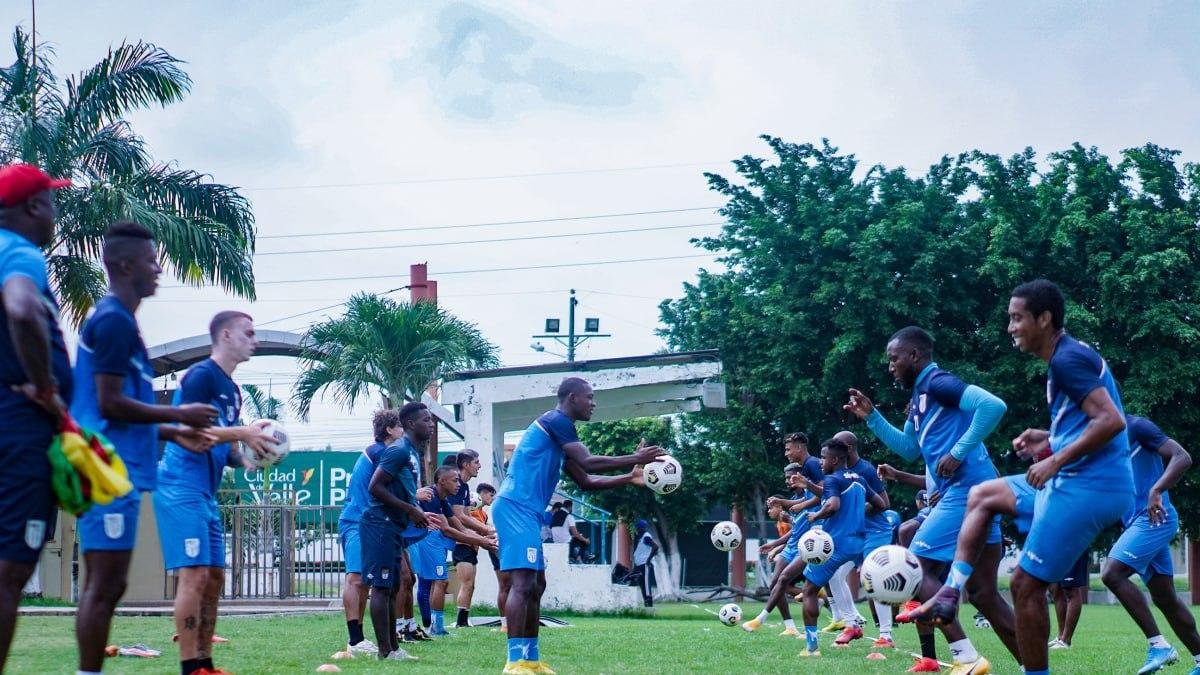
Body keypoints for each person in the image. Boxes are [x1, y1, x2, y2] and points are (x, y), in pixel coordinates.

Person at [920, 280, 1133, 675]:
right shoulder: (1068, 356)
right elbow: (1092, 422)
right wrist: (1048, 440)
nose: (1011, 327)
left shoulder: (1066, 361)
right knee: (983, 494)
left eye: (1017, 318)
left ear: (1044, 318)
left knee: (1024, 586)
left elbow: (1112, 421)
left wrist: (1054, 461)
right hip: (1082, 479)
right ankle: (951, 590)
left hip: (1089, 487)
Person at [71, 222, 221, 675]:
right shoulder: (114, 319)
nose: (158, 269)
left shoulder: (124, 321)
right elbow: (109, 404)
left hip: (120, 466)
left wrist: (172, 433)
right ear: (122, 265)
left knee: (108, 583)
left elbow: (118, 413)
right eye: (150, 261)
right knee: (104, 584)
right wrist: (179, 416)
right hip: (104, 469)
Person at [845, 325, 1015, 673]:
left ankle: (966, 658)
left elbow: (993, 406)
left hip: (968, 494)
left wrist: (958, 451)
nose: (890, 366)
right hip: (979, 492)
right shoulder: (920, 400)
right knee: (984, 592)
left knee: (915, 568)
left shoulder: (939, 383)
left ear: (914, 356)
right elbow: (909, 449)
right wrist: (872, 417)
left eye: (894, 359)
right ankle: (1035, 668)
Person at [493, 377, 665, 674]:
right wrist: (635, 458)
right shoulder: (556, 420)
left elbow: (586, 481)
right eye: (590, 397)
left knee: (537, 585)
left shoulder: (560, 436)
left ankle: (530, 660)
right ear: (572, 398)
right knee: (522, 584)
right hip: (514, 508)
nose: (593, 403)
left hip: (528, 512)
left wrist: (629, 476)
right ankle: (513, 662)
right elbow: (589, 462)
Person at [153, 312, 277, 675]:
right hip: (180, 486)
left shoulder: (232, 390)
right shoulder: (199, 377)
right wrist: (244, 432)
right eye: (248, 333)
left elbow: (224, 447)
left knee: (214, 577)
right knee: (193, 576)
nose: (254, 339)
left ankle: (205, 663)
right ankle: (189, 668)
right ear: (225, 335)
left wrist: (248, 460)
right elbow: (191, 436)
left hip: (205, 494)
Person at [0, 164, 73, 671]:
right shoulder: (18, 251)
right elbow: (23, 310)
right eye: (51, 201)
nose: (54, 212)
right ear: (32, 208)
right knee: (9, 572)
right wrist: (46, 388)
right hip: (19, 429)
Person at [1100, 415, 1200, 675]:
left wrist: (1156, 489)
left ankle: (1159, 645)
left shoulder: (1137, 426)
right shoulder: (1100, 439)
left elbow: (1182, 457)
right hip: (1136, 522)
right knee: (1165, 598)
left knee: (1112, 574)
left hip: (1155, 517)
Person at [361, 402, 436, 661]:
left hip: (393, 526)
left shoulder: (412, 452)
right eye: (426, 420)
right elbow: (375, 487)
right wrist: (412, 510)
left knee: (393, 586)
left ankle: (394, 648)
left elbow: (400, 489)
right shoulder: (399, 450)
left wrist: (416, 512)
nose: (432, 424)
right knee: (382, 587)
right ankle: (385, 650)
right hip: (379, 524)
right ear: (411, 424)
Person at [799, 438, 884, 658]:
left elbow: (833, 505)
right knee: (835, 580)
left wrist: (816, 515)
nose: (820, 462)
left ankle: (811, 648)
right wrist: (855, 513)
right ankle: (852, 623)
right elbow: (881, 504)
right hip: (858, 543)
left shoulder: (832, 480)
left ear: (835, 459)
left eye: (824, 457)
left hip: (836, 543)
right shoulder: (860, 478)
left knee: (809, 590)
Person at [336, 409, 399, 655]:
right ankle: (354, 640)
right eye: (400, 427)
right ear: (390, 430)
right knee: (356, 578)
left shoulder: (384, 452)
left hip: (370, 522)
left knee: (365, 582)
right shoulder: (379, 452)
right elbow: (383, 489)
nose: (403, 431)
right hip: (356, 520)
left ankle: (359, 640)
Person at [414, 465, 496, 636]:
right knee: (437, 581)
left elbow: (457, 525)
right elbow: (447, 529)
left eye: (458, 480)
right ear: (441, 481)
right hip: (426, 539)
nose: (458, 484)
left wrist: (484, 535)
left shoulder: (443, 499)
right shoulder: (430, 496)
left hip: (432, 539)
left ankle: (431, 626)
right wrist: (481, 539)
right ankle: (432, 626)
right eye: (454, 480)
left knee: (433, 582)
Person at [832, 430, 893, 648]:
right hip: (856, 533)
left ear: (848, 449)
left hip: (876, 531)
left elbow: (884, 503)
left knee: (873, 578)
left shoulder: (865, 470)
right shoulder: (840, 471)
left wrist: (854, 511)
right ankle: (852, 624)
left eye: (837, 446)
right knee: (834, 574)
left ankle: (886, 635)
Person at [744, 464, 818, 635]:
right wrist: (774, 545)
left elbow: (807, 525)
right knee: (775, 583)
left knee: (786, 582)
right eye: (786, 478)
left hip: (804, 548)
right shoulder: (794, 499)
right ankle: (790, 627)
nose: (788, 480)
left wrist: (777, 545)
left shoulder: (811, 497)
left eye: (791, 477)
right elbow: (796, 530)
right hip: (790, 548)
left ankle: (760, 619)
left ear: (800, 476)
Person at [450, 450, 496, 628]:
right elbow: (459, 517)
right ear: (466, 465)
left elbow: (466, 518)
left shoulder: (465, 487)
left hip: (466, 541)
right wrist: (486, 531)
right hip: (454, 541)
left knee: (470, 584)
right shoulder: (458, 485)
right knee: (459, 583)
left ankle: (462, 621)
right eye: (476, 462)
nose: (479, 465)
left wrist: (480, 535)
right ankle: (449, 622)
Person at [1047, 553, 1088, 649]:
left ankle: (1066, 640)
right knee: (1055, 588)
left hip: (1073, 543)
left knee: (1071, 589)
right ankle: (1060, 637)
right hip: (1055, 543)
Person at [631, 520, 659, 608]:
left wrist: (648, 560)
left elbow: (655, 547)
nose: (637, 530)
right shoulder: (641, 538)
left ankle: (649, 605)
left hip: (645, 565)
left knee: (646, 585)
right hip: (639, 565)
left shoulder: (646, 537)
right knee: (642, 584)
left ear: (642, 528)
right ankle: (646, 604)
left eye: (638, 528)